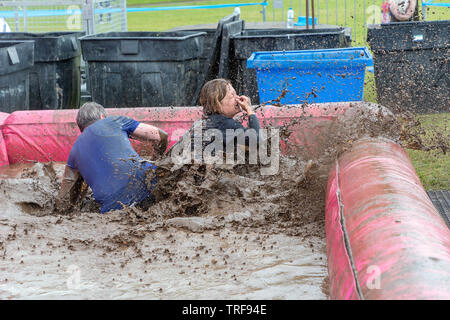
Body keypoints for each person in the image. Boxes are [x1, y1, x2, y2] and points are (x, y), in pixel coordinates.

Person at [56, 102, 168, 213]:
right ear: (102, 117)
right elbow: (161, 136)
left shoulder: (74, 153)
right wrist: (157, 159)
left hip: (113, 206)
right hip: (147, 184)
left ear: (81, 129)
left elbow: (64, 199)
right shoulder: (114, 121)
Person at [173, 78, 261, 158]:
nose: (238, 98)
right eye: (232, 96)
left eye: (236, 94)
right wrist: (249, 110)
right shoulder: (225, 123)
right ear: (217, 104)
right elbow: (256, 140)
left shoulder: (204, 122)